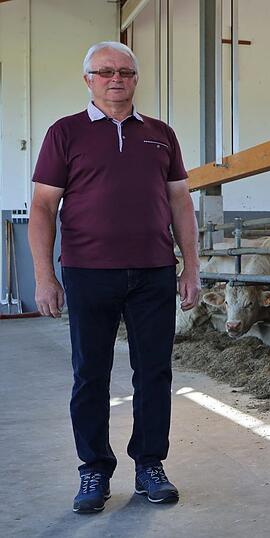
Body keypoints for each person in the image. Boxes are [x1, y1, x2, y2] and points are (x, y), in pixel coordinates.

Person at [28, 41, 200, 514]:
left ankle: (150, 465)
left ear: (136, 78)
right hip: (87, 272)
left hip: (154, 271)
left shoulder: (161, 134)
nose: (116, 79)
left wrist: (191, 266)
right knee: (90, 374)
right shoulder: (65, 132)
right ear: (88, 79)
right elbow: (42, 206)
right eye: (105, 72)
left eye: (125, 71)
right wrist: (44, 276)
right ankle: (94, 470)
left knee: (155, 372)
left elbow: (180, 201)